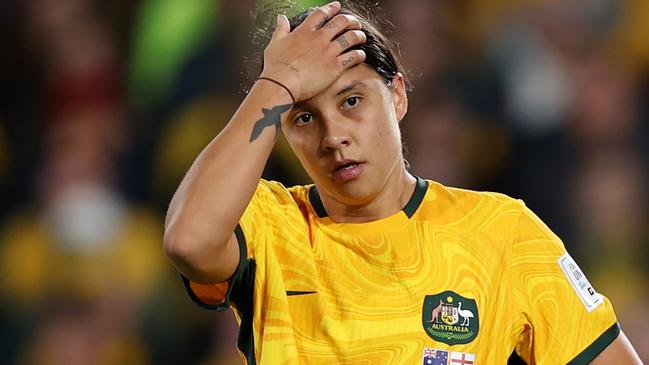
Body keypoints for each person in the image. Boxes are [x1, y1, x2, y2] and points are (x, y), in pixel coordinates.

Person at [163, 2, 643, 363]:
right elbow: (188, 241)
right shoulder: (269, 224)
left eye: (352, 102)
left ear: (396, 95)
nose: (334, 138)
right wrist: (275, 85)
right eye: (304, 117)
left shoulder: (503, 232)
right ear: (281, 128)